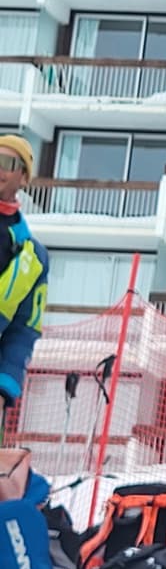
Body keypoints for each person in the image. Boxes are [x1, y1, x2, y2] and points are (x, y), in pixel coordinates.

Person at [0, 134, 47, 418]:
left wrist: (4, 387)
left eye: (6, 163)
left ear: (24, 178)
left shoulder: (33, 257)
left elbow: (24, 329)